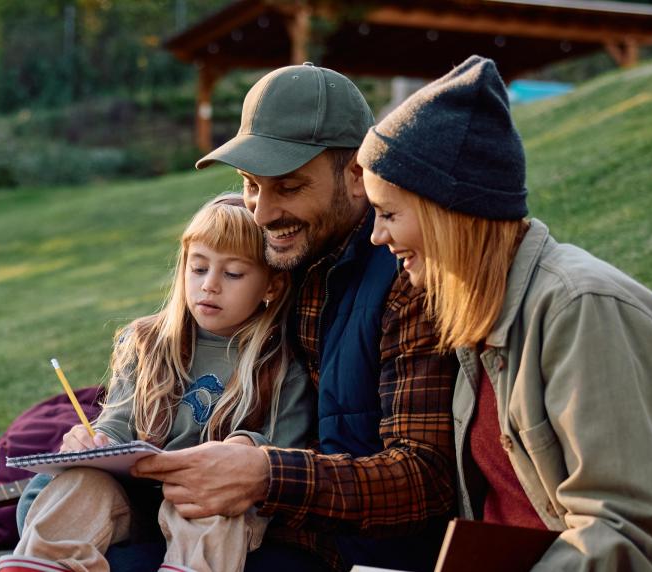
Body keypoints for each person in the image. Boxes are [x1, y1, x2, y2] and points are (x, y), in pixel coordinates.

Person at [357, 55, 652, 570]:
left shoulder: (584, 310)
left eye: (389, 213)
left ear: (448, 212)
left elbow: (622, 534)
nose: (377, 235)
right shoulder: (477, 311)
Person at [131, 63, 460, 571]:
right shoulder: (279, 258)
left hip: (352, 554)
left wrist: (265, 475)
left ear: (356, 177)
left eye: (287, 187)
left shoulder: (406, 279)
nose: (261, 213)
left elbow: (426, 477)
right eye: (250, 185)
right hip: (247, 524)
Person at [2, 194, 314, 572]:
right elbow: (116, 425)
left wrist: (244, 448)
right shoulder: (146, 343)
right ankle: (40, 564)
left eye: (232, 273)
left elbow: (284, 451)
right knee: (82, 483)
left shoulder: (280, 362)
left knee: (210, 501)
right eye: (198, 269)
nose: (210, 286)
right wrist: (94, 442)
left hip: (214, 506)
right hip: (133, 501)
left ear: (272, 287)